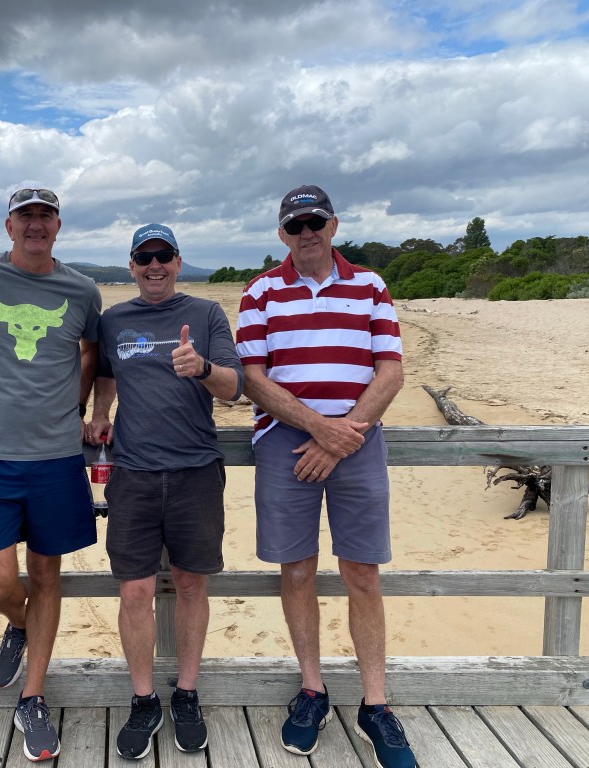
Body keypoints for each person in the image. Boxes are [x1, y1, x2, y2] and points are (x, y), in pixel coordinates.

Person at [235, 186, 416, 768]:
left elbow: (391, 372)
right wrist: (319, 428)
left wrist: (341, 437)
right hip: (285, 442)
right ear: (281, 234)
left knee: (362, 571)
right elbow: (253, 378)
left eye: (315, 221)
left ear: (333, 225)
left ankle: (375, 703)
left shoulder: (370, 285)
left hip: (357, 441)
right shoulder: (260, 292)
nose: (306, 232)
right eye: (295, 225)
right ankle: (312, 689)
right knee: (297, 570)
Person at [0, 188, 101, 763]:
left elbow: (92, 352)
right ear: (9, 225)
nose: (36, 224)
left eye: (45, 215)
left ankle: (32, 696)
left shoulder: (82, 290)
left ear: (58, 225)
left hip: (57, 456)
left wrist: (80, 407)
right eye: (25, 216)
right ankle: (20, 624)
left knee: (46, 575)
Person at [85, 223, 243, 760]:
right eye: (144, 257)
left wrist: (201, 367)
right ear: (131, 265)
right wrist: (100, 412)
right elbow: (105, 374)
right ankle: (143, 699)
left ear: (177, 261)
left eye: (164, 256)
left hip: (196, 469)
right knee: (135, 590)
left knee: (192, 584)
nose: (154, 265)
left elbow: (234, 387)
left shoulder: (207, 314)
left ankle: (187, 694)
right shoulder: (114, 320)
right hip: (133, 472)